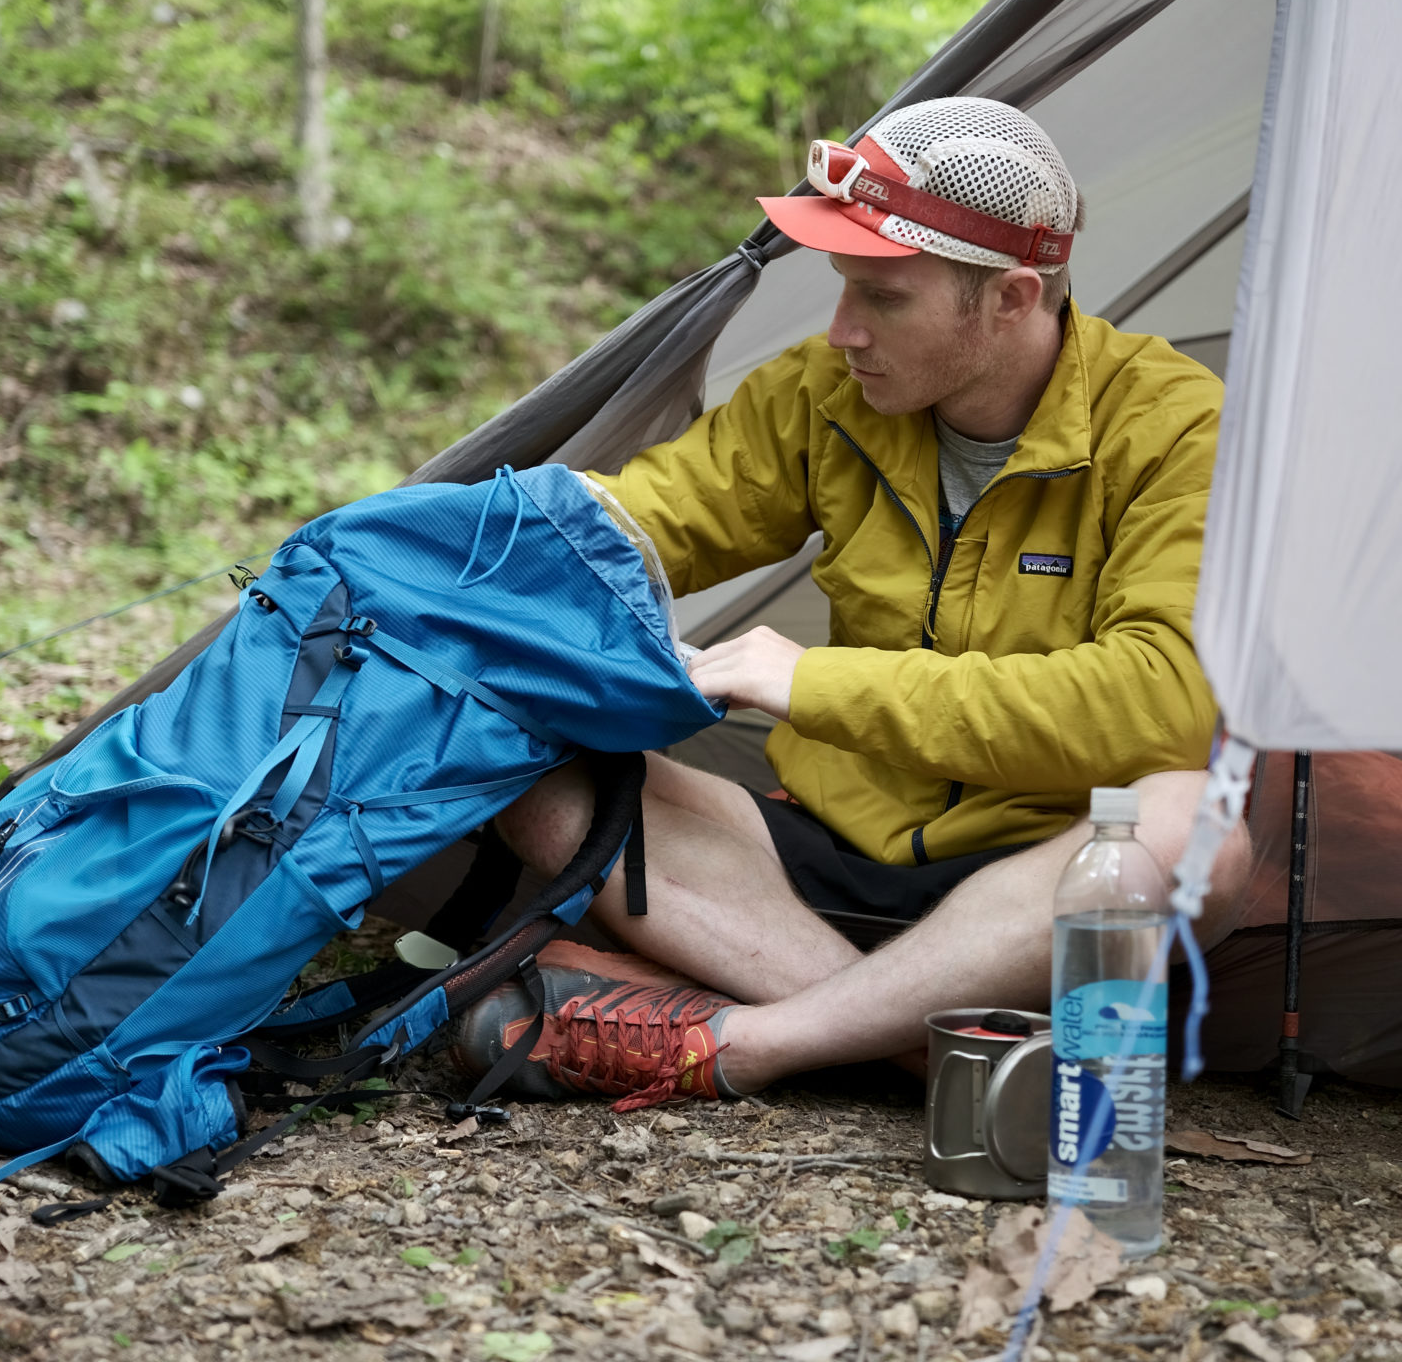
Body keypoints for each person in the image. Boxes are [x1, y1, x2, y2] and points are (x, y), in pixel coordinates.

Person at [451, 96, 1262, 1112]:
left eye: (883, 297)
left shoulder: (1175, 426)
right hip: (807, 865)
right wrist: (463, 555)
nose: (843, 330)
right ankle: (936, 1057)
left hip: (1039, 885)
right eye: (843, 286)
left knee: (1195, 827)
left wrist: (811, 682)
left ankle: (752, 1039)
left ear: (1011, 298)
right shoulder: (827, 393)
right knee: (521, 756)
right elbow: (649, 518)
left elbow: (1162, 701)